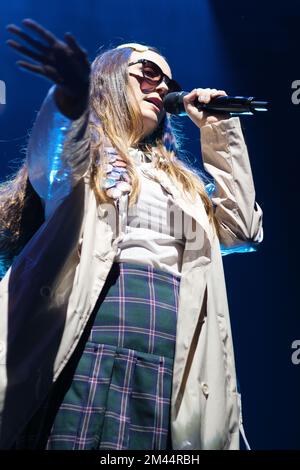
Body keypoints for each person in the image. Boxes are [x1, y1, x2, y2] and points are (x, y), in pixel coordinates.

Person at [0, 18, 263, 450]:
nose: (162, 88)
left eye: (168, 81)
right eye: (149, 74)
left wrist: (219, 129)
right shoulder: (89, 156)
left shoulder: (180, 184)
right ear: (106, 82)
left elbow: (241, 230)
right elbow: (53, 156)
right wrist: (69, 97)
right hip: (93, 330)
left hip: (172, 344)